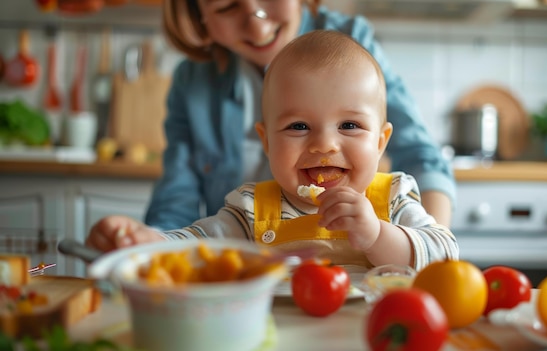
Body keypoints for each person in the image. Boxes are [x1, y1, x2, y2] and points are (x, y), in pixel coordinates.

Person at [87, 30, 459, 270]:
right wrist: (149, 242)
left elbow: (445, 255)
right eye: (298, 126)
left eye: (349, 126)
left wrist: (379, 236)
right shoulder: (250, 210)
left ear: (380, 142)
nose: (325, 145)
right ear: (266, 141)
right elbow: (198, 245)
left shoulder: (393, 199)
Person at [145, 0, 456, 230]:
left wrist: (425, 243)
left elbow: (420, 155)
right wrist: (149, 245)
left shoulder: (353, 42)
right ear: (197, 15)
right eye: (227, 6)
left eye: (348, 125)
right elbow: (176, 198)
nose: (258, 24)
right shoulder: (192, 81)